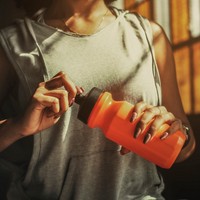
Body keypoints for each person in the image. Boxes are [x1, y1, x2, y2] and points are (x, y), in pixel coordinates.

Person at [0, 0, 196, 199]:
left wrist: (177, 132)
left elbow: (184, 150)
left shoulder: (149, 35)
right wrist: (16, 126)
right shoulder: (13, 42)